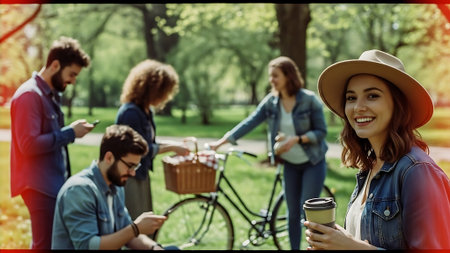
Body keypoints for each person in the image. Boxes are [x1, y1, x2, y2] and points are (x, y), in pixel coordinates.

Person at [305, 49, 450, 250]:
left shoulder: (417, 171)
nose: (358, 107)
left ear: (397, 104)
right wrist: (336, 241)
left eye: (372, 96)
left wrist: (351, 247)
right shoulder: (370, 168)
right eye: (351, 98)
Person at [208, 56, 328, 250]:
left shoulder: (308, 100)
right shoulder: (271, 102)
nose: (271, 79)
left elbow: (321, 132)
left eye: (275, 75)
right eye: (270, 76)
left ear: (288, 76)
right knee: (292, 214)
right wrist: (220, 143)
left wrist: (296, 139)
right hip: (290, 164)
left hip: (312, 162)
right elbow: (250, 122)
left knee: (307, 213)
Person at [10, 36, 93, 249]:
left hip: (52, 184)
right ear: (55, 65)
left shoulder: (51, 94)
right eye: (71, 74)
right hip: (39, 187)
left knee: (53, 244)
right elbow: (27, 145)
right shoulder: (30, 95)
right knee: (44, 245)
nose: (73, 81)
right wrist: (70, 133)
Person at [52, 124, 175, 250]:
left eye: (135, 167)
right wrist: (135, 228)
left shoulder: (116, 184)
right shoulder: (79, 190)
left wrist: (154, 248)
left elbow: (128, 234)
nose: (133, 173)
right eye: (130, 166)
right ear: (109, 157)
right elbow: (88, 246)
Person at [115, 59, 190, 220]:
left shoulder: (146, 111)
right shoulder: (131, 113)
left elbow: (149, 143)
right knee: (133, 222)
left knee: (144, 217)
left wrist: (173, 146)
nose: (166, 97)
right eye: (164, 92)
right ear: (152, 89)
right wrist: (172, 147)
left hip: (140, 173)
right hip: (128, 176)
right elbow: (140, 149)